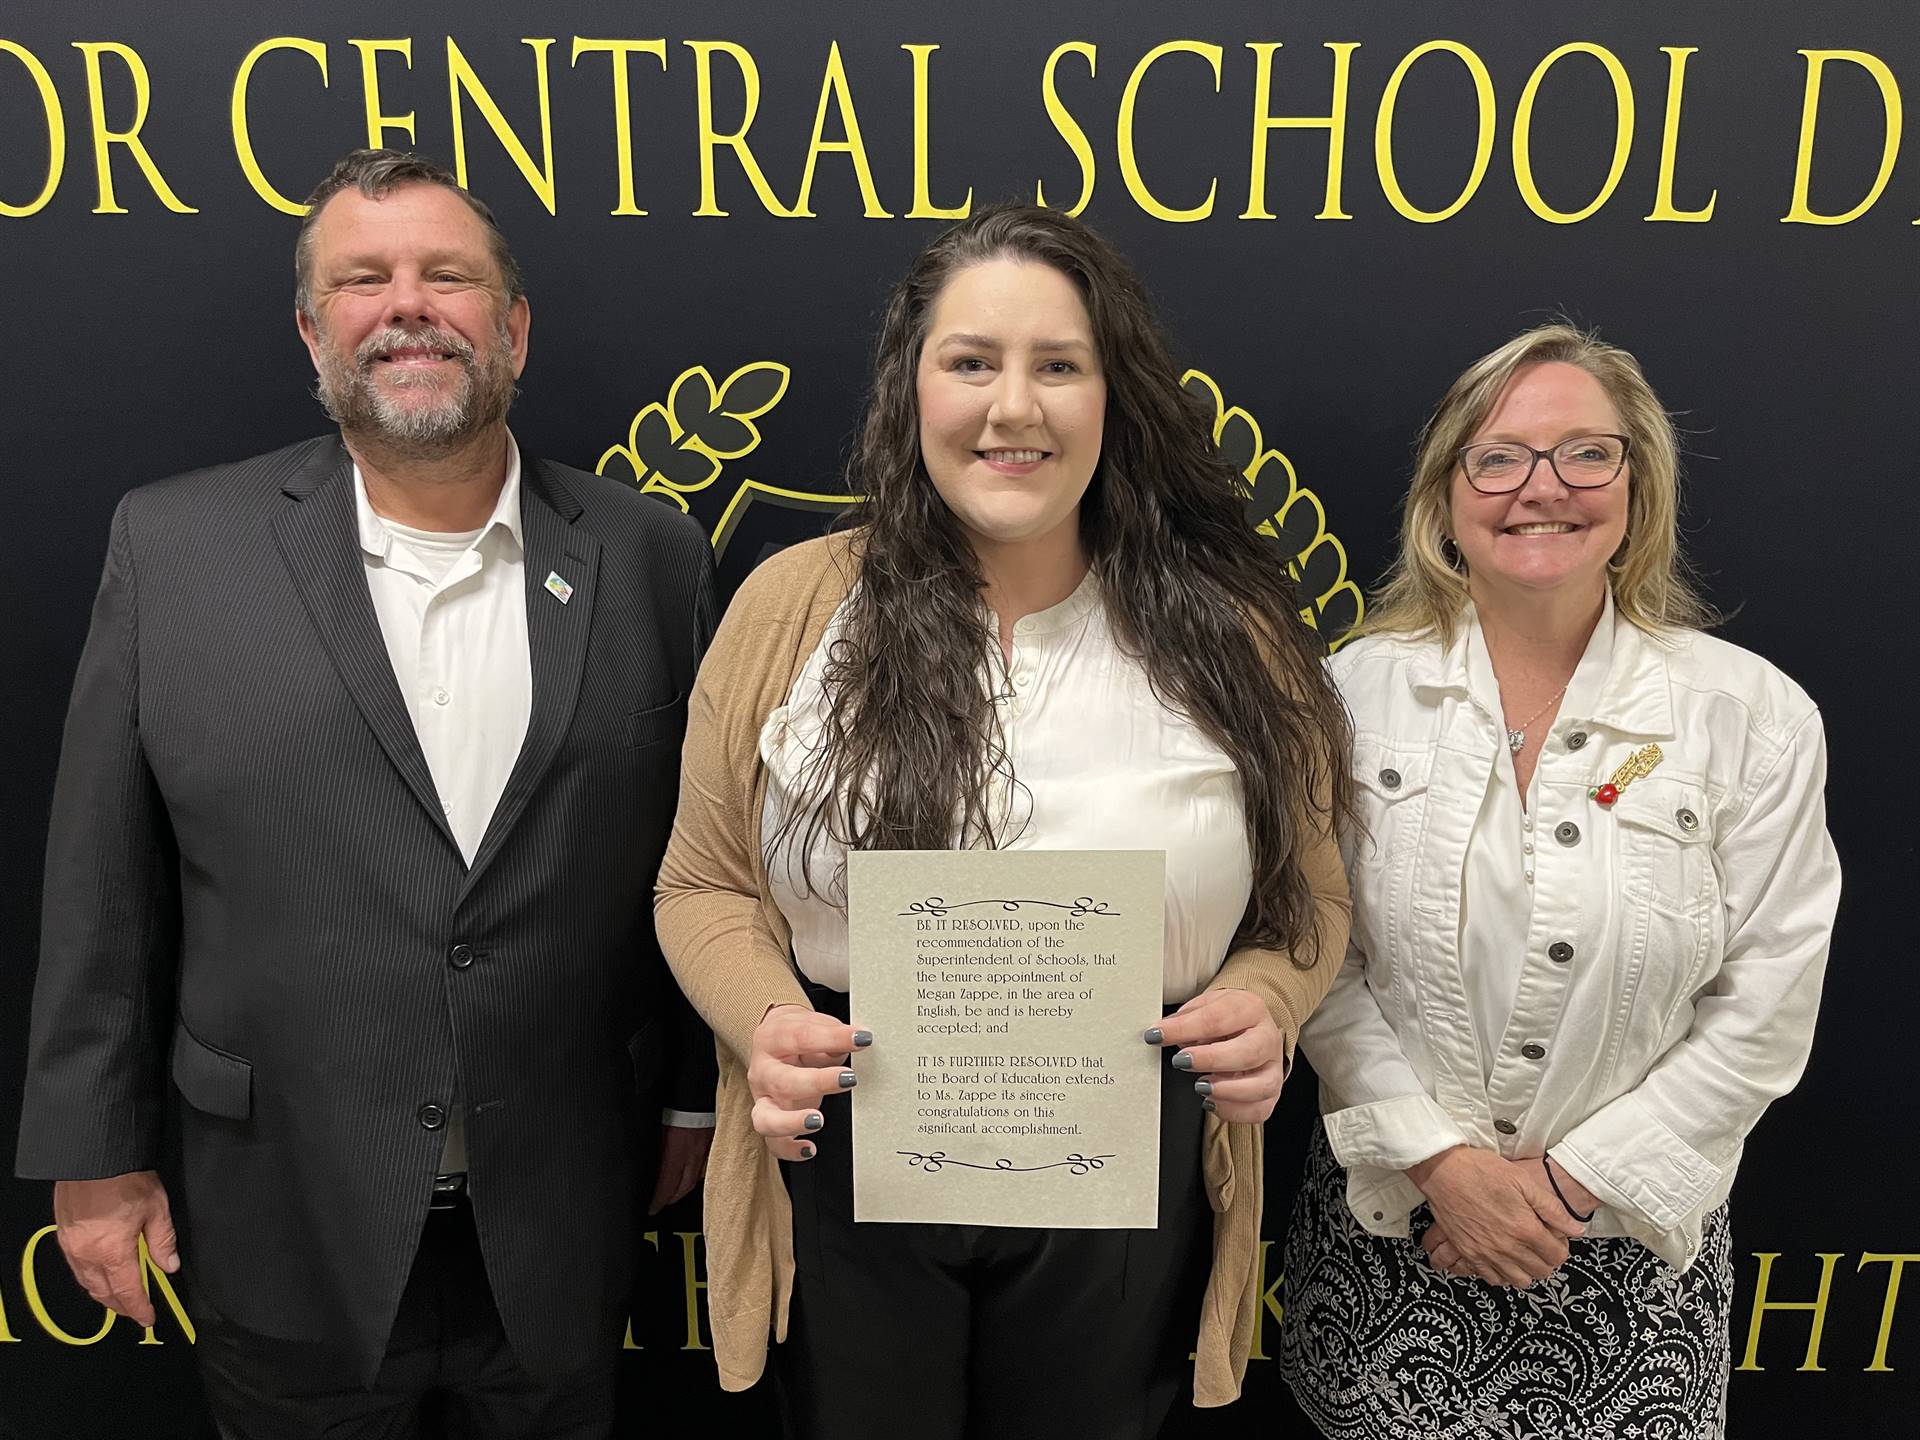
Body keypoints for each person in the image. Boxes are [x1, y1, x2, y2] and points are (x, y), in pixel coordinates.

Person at [15, 149, 717, 1438]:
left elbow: (695, 855)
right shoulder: (172, 549)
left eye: (447, 277)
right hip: (280, 1209)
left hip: (563, 1210)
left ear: (511, 327)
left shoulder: (650, 555)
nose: (407, 305)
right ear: (311, 327)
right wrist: (95, 1156)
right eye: (362, 279)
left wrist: (689, 1093)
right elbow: (104, 878)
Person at [653, 203, 1353, 1438]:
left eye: (1059, 366)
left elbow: (1310, 898)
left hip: (1125, 1150)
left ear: (1114, 394)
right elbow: (702, 884)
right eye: (970, 362)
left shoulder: (1234, 633)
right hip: (850, 1143)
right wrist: (764, 1023)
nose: (1012, 408)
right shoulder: (791, 607)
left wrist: (1270, 1000)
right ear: (910, 389)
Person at [1278, 322, 1840, 1437]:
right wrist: (1446, 1168)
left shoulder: (1752, 717)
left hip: (1635, 1264)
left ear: (1637, 486)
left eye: (1586, 453)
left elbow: (1769, 997)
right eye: (1498, 458)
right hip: (1398, 1232)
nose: (1543, 488)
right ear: (1446, 496)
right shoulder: (1346, 699)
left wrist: (1569, 1187)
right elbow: (1312, 951)